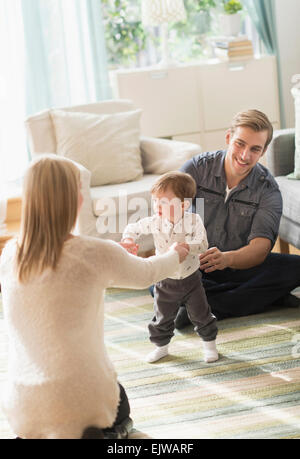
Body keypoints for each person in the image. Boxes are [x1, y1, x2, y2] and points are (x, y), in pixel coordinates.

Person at [0, 155, 189, 440]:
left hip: (24, 406)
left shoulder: (11, 253)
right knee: (119, 406)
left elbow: (64, 262)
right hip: (83, 399)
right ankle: (112, 435)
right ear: (74, 199)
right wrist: (176, 253)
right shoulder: (95, 254)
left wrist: (113, 252)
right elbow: (147, 273)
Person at [171, 109, 300, 328]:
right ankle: (266, 298)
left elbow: (260, 248)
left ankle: (202, 306)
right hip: (196, 264)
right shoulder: (196, 169)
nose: (244, 155)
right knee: (161, 282)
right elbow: (167, 215)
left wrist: (227, 259)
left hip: (240, 264)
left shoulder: (268, 190)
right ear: (229, 138)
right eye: (240, 144)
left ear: (263, 151)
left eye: (255, 149)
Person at [122, 172, 218, 364]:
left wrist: (186, 247)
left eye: (164, 202)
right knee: (162, 316)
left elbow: (203, 244)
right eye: (155, 200)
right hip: (165, 278)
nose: (157, 206)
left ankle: (209, 345)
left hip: (191, 279)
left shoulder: (193, 221)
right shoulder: (155, 221)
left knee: (201, 314)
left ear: (183, 205)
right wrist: (128, 240)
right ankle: (161, 348)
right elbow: (133, 228)